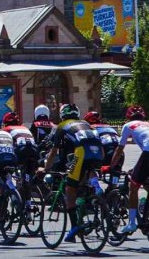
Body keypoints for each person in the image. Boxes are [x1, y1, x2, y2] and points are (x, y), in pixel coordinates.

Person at [44, 104, 105, 243]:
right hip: (99, 154)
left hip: (82, 153)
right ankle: (91, 197)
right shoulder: (86, 124)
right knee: (83, 180)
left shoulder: (62, 126)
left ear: (62, 116)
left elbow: (54, 151)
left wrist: (46, 169)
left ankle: (74, 227)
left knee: (70, 188)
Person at [108, 105, 149, 235]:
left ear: (128, 117)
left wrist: (111, 166)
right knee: (145, 180)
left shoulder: (128, 126)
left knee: (133, 186)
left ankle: (131, 223)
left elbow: (120, 149)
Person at [2, 112, 38, 188]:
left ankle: (10, 187)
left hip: (21, 150)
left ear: (6, 123)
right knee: (28, 174)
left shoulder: (6, 129)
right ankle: (29, 187)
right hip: (34, 151)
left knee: (5, 168)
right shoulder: (25, 128)